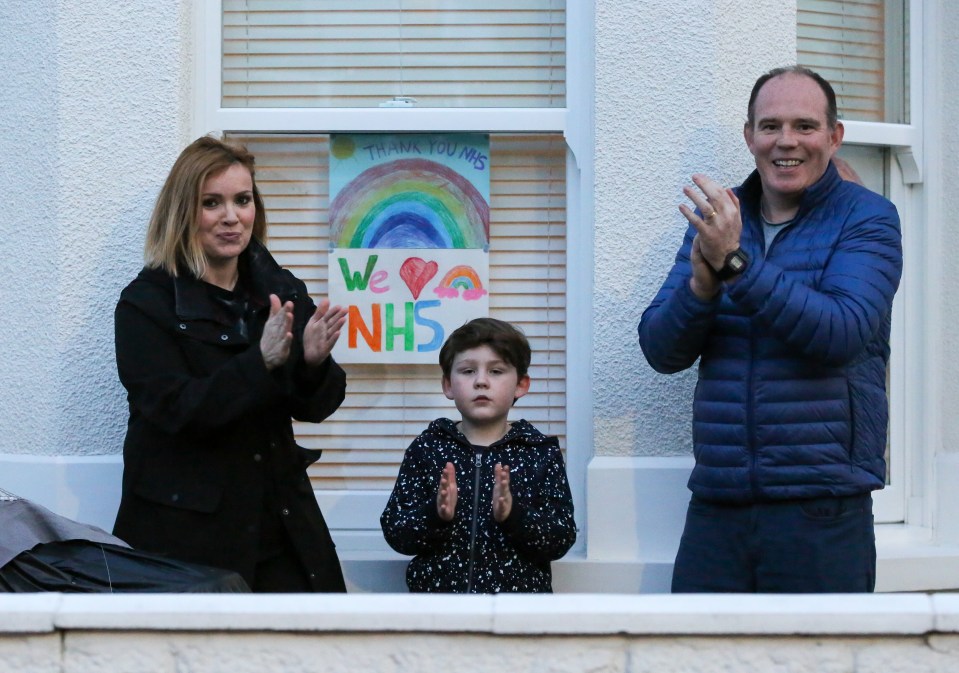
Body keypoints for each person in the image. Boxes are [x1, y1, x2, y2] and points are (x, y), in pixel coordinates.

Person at [638, 66, 903, 593]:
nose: (787, 141)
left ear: (834, 136)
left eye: (805, 126)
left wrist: (734, 264)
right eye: (770, 126)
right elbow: (661, 351)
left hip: (822, 508)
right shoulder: (722, 220)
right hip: (719, 505)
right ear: (749, 136)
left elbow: (841, 333)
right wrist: (702, 289)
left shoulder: (868, 219)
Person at [113, 135, 349, 593]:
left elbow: (314, 407)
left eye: (242, 200)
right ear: (183, 212)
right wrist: (259, 362)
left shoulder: (278, 286)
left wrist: (314, 364)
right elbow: (177, 410)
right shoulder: (145, 304)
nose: (231, 217)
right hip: (188, 533)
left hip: (281, 518)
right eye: (211, 203)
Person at [380, 318, 576, 593]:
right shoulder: (427, 449)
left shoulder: (539, 452)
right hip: (438, 614)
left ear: (521, 385)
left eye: (496, 371)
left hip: (516, 618)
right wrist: (435, 514)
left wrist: (513, 515)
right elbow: (396, 532)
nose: (481, 381)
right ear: (448, 384)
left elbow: (561, 538)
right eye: (468, 371)